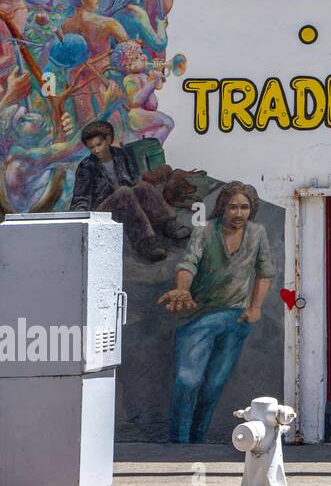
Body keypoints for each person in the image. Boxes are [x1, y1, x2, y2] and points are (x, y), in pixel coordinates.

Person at [157, 182, 276, 444]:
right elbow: (188, 263)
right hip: (198, 318)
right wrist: (182, 289)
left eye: (244, 207)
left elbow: (264, 272)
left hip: (235, 319)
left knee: (213, 386)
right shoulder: (204, 231)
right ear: (223, 207)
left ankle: (197, 441)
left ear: (251, 210)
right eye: (233, 206)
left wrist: (255, 308)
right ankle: (179, 442)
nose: (238, 212)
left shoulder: (257, 233)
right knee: (188, 380)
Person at [70, 119, 188, 261]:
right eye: (92, 147)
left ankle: (168, 223)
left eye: (99, 145)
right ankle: (146, 242)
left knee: (142, 186)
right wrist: (80, 222)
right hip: (103, 211)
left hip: (127, 201)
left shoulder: (121, 155)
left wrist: (144, 191)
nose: (96, 150)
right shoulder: (86, 166)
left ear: (108, 140)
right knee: (124, 191)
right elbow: (80, 198)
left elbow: (135, 179)